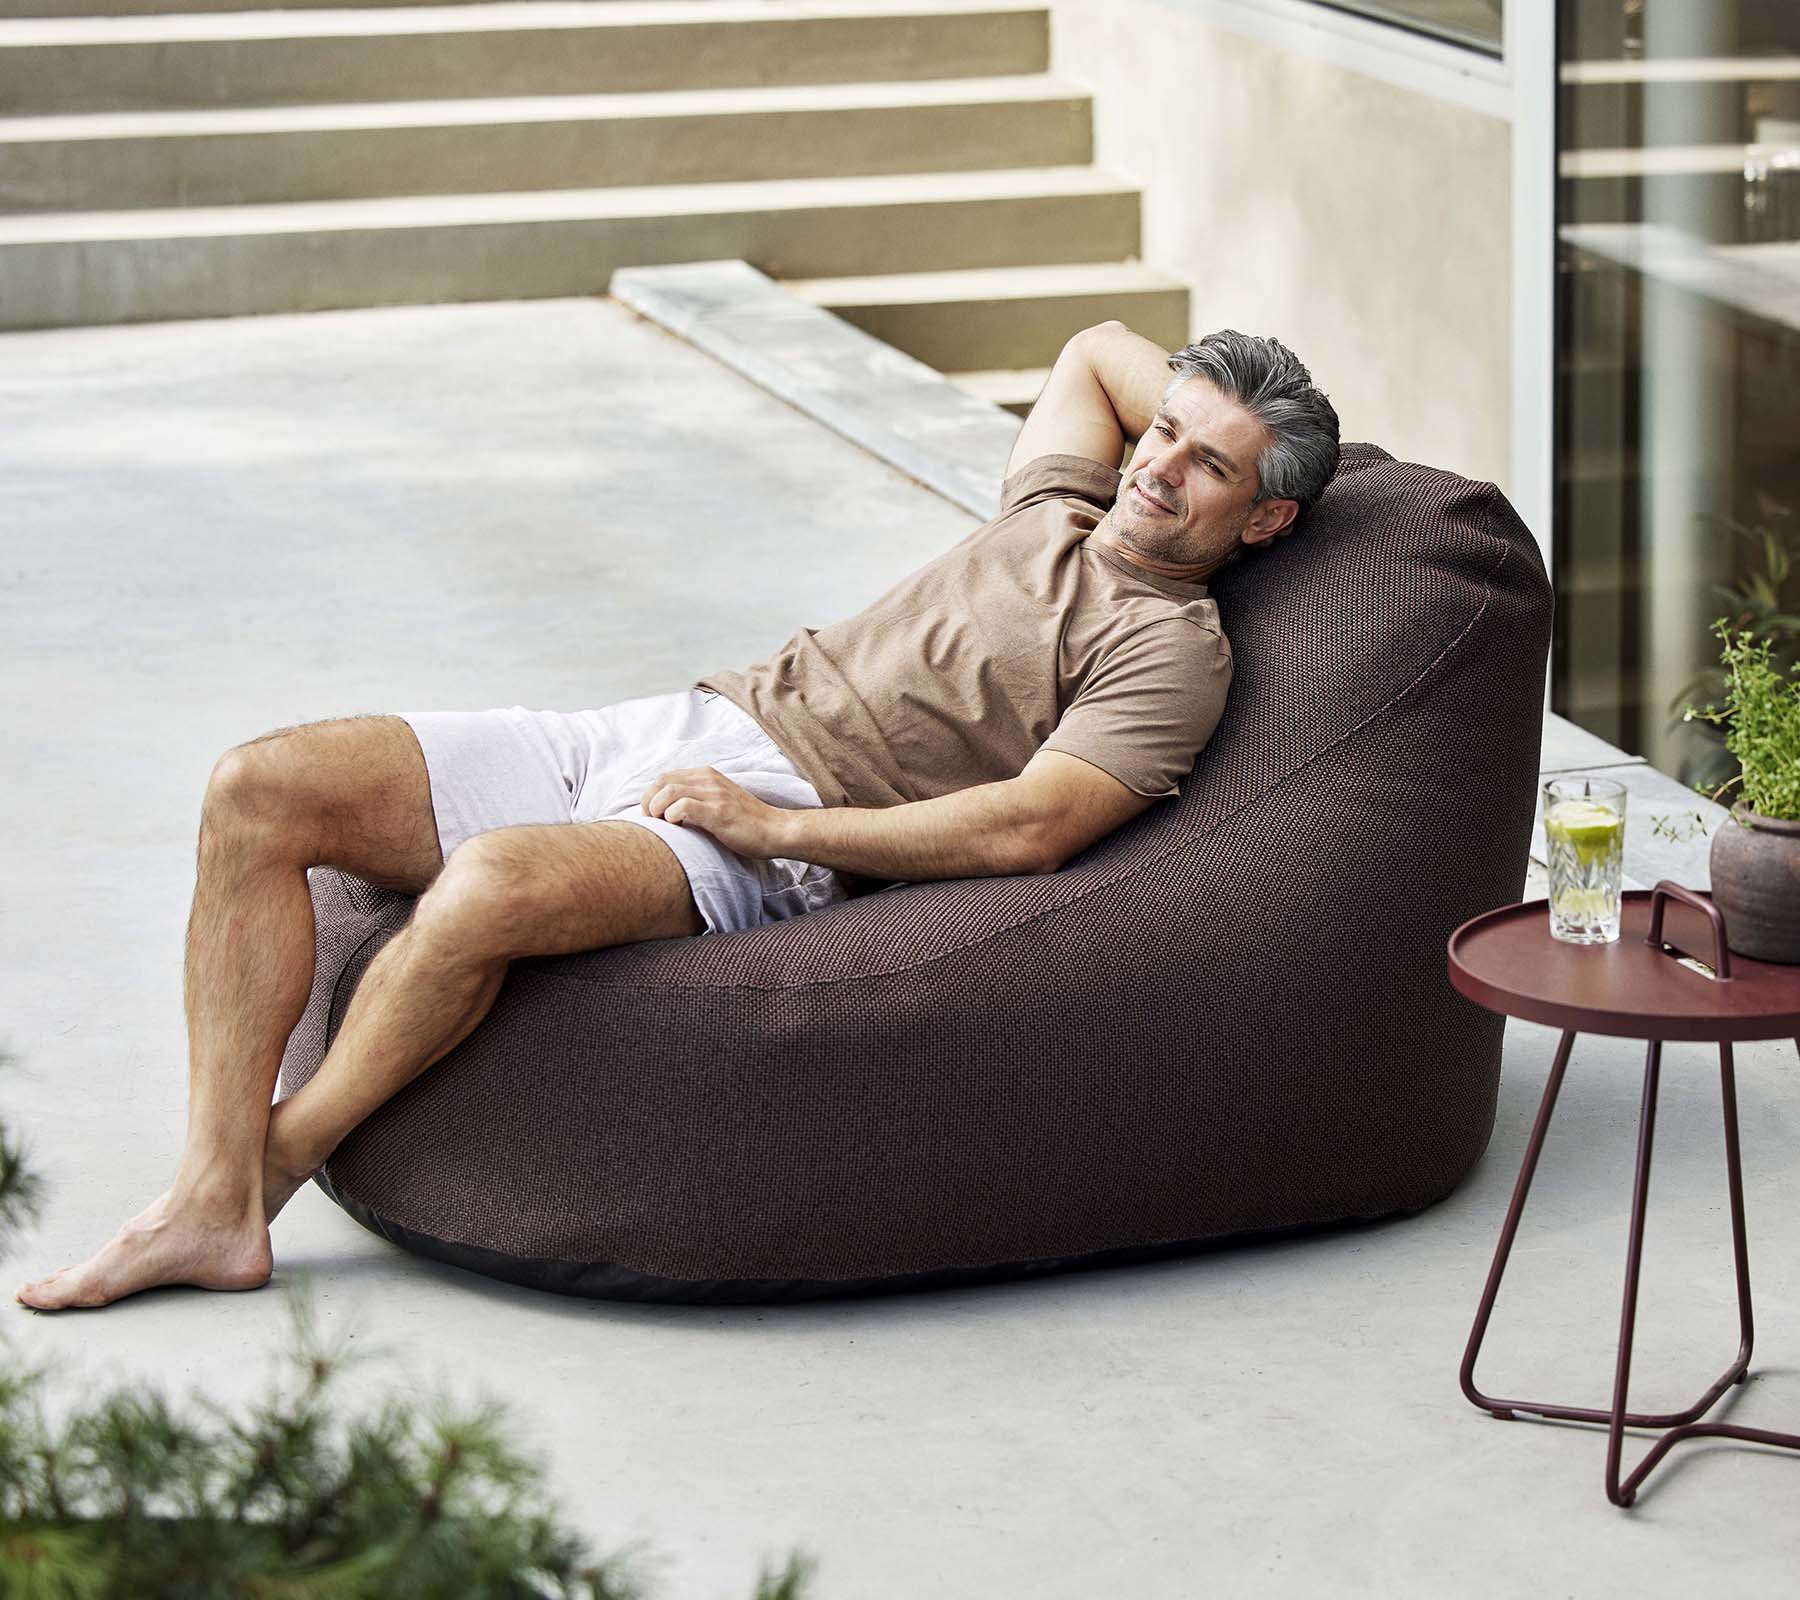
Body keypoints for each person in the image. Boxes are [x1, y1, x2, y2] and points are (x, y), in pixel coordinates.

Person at [14, 319, 1338, 1312]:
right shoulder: (1059, 502)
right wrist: (1206, 395)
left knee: (483, 890)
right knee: (260, 785)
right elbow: (1093, 352)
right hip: (671, 722)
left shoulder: (1172, 650)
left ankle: (259, 1181)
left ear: (1268, 519)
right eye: (1163, 432)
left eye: (1208, 467)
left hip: (779, 816)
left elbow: (1029, 829)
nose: (1158, 467)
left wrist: (773, 835)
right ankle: (209, 1183)